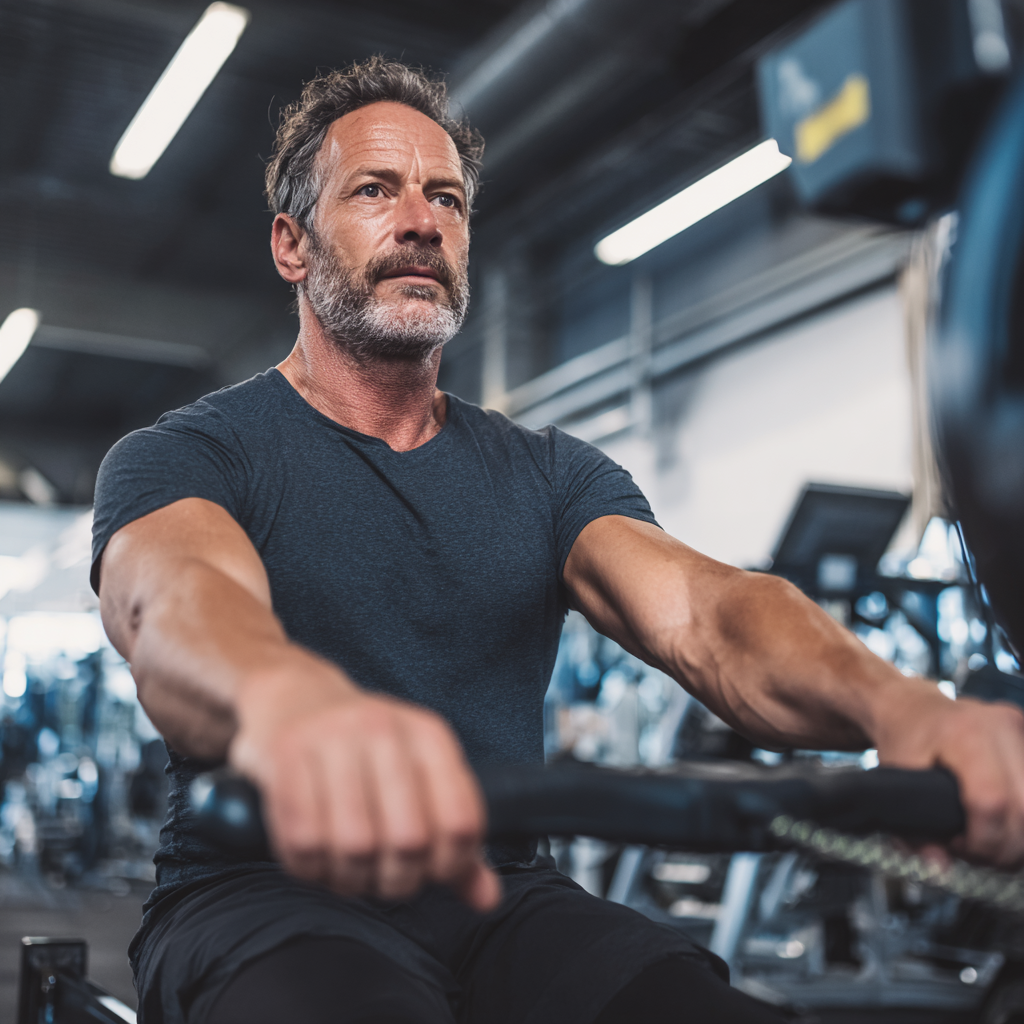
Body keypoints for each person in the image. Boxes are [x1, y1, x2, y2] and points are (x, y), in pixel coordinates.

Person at [92, 57, 1024, 1024]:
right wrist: (292, 703)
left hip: (495, 894)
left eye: (445, 198)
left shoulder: (547, 474)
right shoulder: (192, 454)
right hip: (260, 894)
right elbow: (178, 605)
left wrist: (908, 710)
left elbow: (710, 617)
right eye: (376, 191)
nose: (421, 221)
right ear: (292, 244)